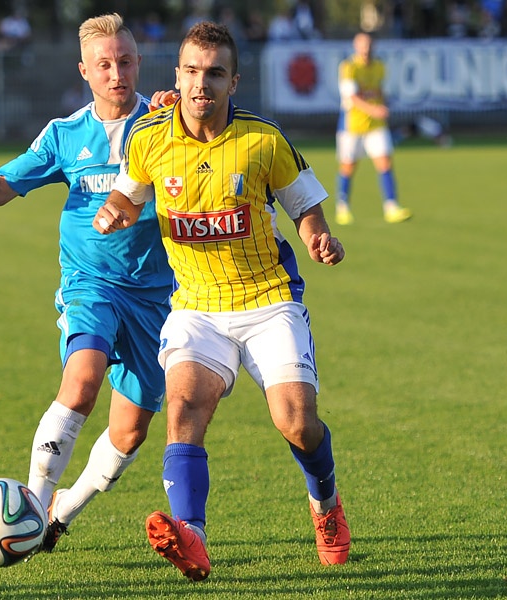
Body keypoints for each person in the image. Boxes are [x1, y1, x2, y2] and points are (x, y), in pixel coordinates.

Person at [94, 21, 350, 582]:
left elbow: (304, 204)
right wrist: (116, 209)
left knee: (298, 423)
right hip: (196, 306)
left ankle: (326, 505)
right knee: (183, 412)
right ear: (178, 76)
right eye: (190, 71)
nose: (200, 83)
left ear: (235, 80)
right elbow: (128, 191)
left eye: (214, 73)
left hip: (268, 299)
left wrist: (317, 237)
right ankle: (192, 537)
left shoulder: (263, 139)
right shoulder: (149, 137)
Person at [0, 13, 174, 552]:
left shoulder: (164, 127)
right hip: (92, 285)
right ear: (85, 70)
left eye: (125, 61)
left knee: (130, 432)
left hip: (158, 296)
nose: (116, 73)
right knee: (82, 380)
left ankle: (61, 511)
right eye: (104, 64)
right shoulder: (65, 135)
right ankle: (32, 508)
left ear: (138, 64)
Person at [334, 31, 411, 226]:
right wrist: (374, 109)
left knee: (385, 163)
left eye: (368, 45)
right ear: (355, 47)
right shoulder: (349, 67)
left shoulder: (379, 67)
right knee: (348, 167)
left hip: (376, 126)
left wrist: (383, 104)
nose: (366, 49)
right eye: (362, 46)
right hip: (352, 125)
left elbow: (379, 91)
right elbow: (352, 97)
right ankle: (342, 207)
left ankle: (391, 207)